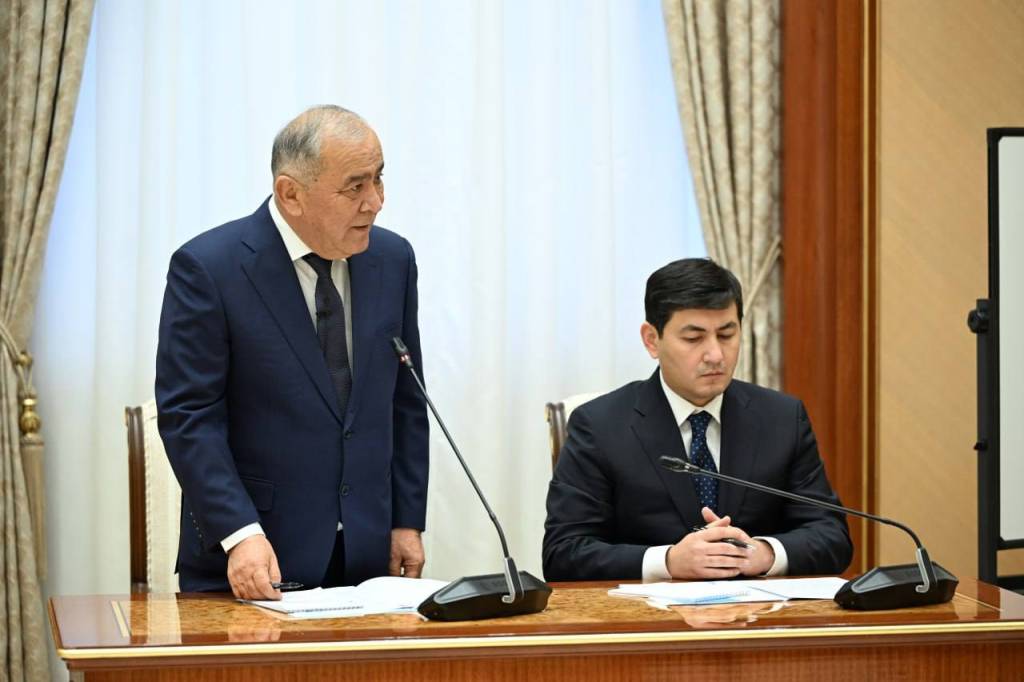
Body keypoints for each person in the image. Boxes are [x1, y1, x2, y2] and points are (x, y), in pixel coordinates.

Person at [156, 105, 429, 599]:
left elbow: (406, 400)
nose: (375, 202)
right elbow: (189, 417)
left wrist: (405, 520)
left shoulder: (392, 259)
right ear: (290, 194)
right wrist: (240, 532)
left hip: (367, 558)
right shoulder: (210, 269)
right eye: (355, 186)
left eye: (378, 178)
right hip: (254, 558)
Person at [542, 258, 852, 582]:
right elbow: (563, 553)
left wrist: (765, 553)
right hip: (647, 612)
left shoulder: (782, 418)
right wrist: (668, 561)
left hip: (758, 609)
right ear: (652, 340)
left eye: (727, 334)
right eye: (694, 338)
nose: (715, 355)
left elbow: (831, 535)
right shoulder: (599, 426)